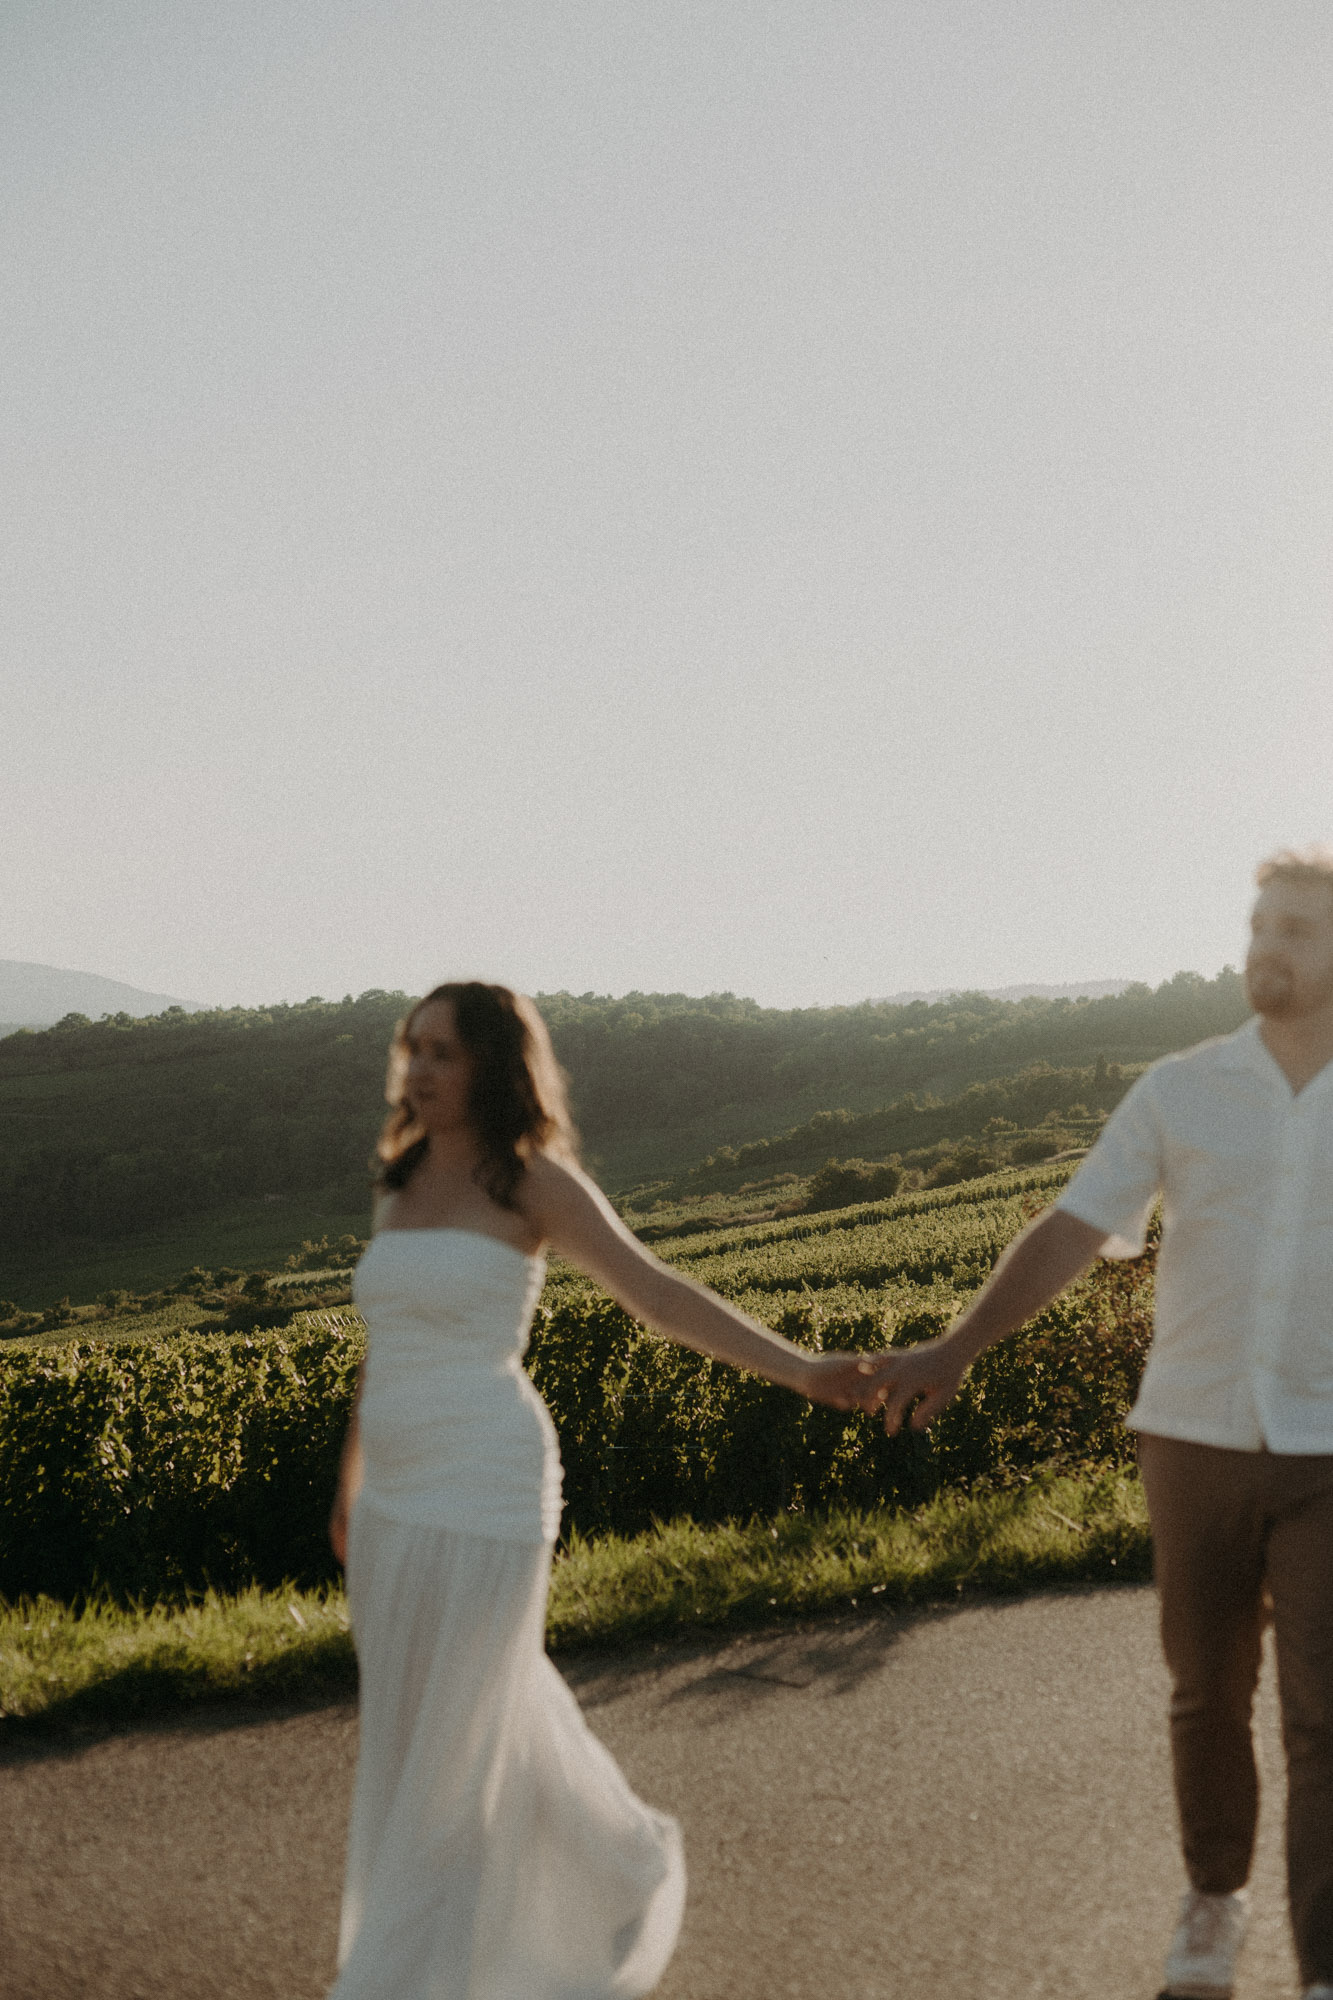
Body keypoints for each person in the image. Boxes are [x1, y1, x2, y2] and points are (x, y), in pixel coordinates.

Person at [326, 980, 883, 2000]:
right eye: (412, 1047)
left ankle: (401, 1978)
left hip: (489, 1483)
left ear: (494, 1063)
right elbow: (385, 1345)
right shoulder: (398, 1176)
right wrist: (350, 1483)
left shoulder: (532, 1180)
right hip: (396, 1495)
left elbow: (656, 1293)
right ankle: (618, 1865)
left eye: (443, 1050)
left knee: (457, 1730)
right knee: (426, 1721)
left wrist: (800, 1368)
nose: (419, 1066)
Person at [861, 847, 1333, 2000]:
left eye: (1299, 930)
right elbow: (1074, 1227)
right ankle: (1213, 1904)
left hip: (1330, 1445)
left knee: (1328, 1712)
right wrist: (953, 1345)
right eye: (1260, 923)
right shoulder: (1181, 1086)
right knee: (1204, 1686)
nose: (1268, 945)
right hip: (1191, 1431)